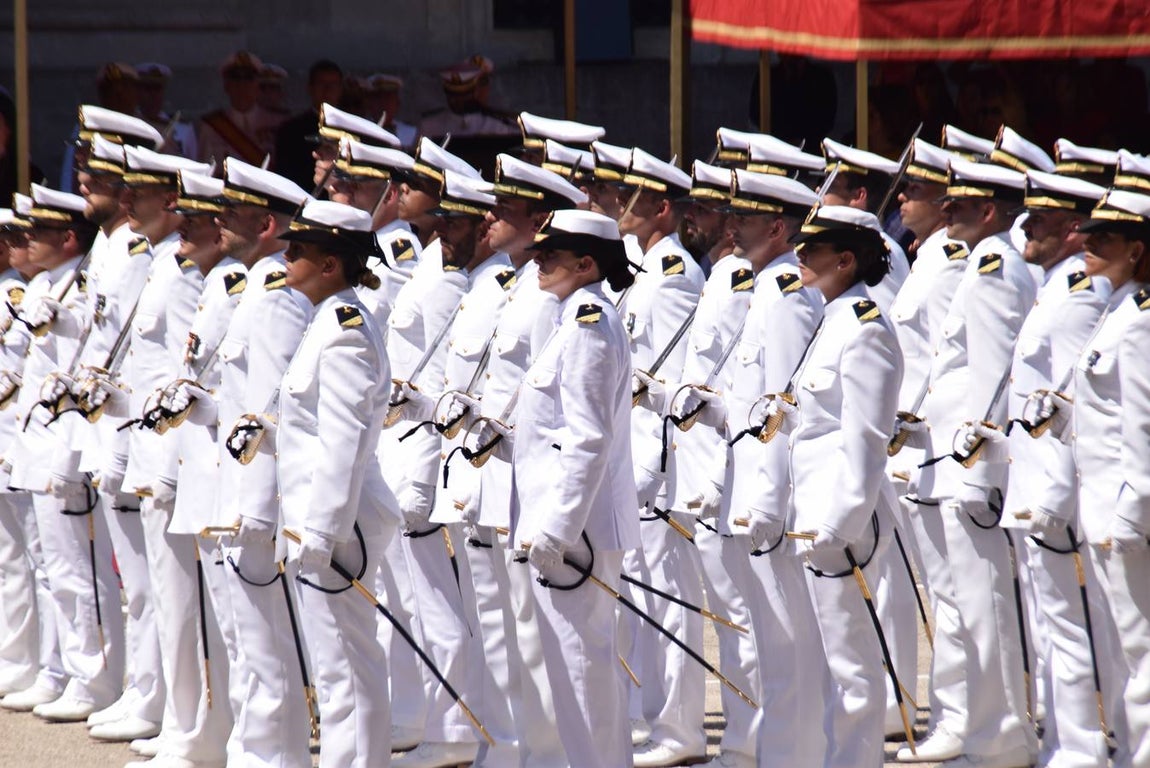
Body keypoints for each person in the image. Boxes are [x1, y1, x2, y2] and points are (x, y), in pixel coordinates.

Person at [489, 208, 640, 768]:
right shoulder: (569, 318)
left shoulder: (588, 324)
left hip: (577, 532)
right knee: (578, 677)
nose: (539, 260)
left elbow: (588, 438)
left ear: (586, 263)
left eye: (552, 254)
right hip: (569, 525)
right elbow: (554, 435)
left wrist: (556, 528)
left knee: (582, 677)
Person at [912, 157, 1039, 768]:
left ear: (989, 212)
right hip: (949, 457)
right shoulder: (978, 265)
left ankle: (1004, 736)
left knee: (986, 607)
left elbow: (994, 378)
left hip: (971, 463)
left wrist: (986, 474)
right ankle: (977, 728)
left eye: (960, 206)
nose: (947, 211)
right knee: (962, 604)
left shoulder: (993, 269)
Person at [271, 199, 394, 768]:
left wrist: (320, 533)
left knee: (346, 664)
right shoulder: (329, 319)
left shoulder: (344, 330)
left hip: (339, 524)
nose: (286, 255)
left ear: (330, 265)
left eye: (299, 250)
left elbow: (343, 445)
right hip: (323, 518)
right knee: (337, 662)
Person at [390, 170, 505, 768]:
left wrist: (422, 476)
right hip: (424, 456)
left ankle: (458, 729)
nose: (444, 235)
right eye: (443, 222)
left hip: (437, 460)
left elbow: (449, 392)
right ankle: (454, 726)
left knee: (451, 610)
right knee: (434, 608)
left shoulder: (472, 285)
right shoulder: (456, 276)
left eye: (456, 224)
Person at [784, 204, 904, 768]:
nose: (800, 257)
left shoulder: (865, 326)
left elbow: (867, 436)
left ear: (846, 260)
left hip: (843, 518)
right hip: (816, 511)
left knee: (852, 662)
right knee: (829, 658)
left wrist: (841, 521)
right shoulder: (832, 316)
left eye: (813, 250)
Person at [715, 169, 825, 767]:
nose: (732, 229)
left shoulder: (785, 293)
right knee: (774, 646)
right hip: (752, 492)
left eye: (746, 220)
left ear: (777, 228)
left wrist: (771, 502)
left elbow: (787, 406)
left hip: (771, 502)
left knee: (789, 650)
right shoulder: (765, 288)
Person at [3, 184, 124, 722]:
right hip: (35, 441)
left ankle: (91, 677)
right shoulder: (52, 283)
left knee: (77, 570)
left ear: (67, 237)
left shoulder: (76, 286)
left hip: (64, 443)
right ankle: (61, 668)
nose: (23, 242)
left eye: (36, 233)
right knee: (48, 567)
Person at [1001, 170, 1110, 768]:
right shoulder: (1054, 285)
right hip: (1033, 480)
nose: (1028, 226)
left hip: (1054, 488)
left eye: (1041, 219)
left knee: (1068, 627)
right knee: (1046, 625)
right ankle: (1060, 743)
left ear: (1074, 228)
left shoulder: (1077, 293)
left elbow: (1076, 407)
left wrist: (1060, 493)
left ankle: (1081, 749)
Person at [213, 159, 314, 768]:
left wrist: (263, 506)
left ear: (268, 223)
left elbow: (281, 409)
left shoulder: (277, 294)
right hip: (240, 487)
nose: (219, 221)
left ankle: (273, 759)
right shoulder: (256, 285)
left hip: (260, 494)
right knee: (250, 641)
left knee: (267, 642)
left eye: (233, 212)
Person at [661, 160, 755, 768]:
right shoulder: (721, 274)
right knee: (726, 608)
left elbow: (747, 380)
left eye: (707, 209)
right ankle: (749, 736)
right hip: (697, 467)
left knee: (741, 610)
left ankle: (751, 738)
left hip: (724, 466)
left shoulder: (746, 278)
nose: (693, 217)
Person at [618, 147, 708, 768]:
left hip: (661, 460)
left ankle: (679, 728)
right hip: (640, 457)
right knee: (647, 597)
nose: (614, 206)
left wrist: (661, 467)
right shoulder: (648, 268)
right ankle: (658, 721)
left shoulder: (673, 272)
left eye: (628, 198)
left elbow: (677, 377)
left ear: (660, 208)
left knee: (670, 596)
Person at [887, 139, 973, 764]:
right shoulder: (927, 258)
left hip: (937, 446)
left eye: (915, 189)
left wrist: (913, 425)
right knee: (940, 589)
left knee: (956, 593)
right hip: (917, 448)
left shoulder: (951, 261)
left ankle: (961, 715)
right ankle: (956, 712)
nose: (905, 197)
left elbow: (953, 363)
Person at [1061, 189, 1150, 767]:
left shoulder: (1140, 321)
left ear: (1137, 250)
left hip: (1124, 510)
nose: (1087, 245)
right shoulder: (1119, 309)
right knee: (1122, 647)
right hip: (1101, 505)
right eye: (1088, 235)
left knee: (1141, 648)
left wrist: (1132, 513)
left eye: (1106, 239)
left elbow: (1143, 427)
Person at [820, 138, 910, 311]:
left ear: (858, 196)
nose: (819, 191)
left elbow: (874, 318)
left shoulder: (875, 248)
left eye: (830, 186)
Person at [197, 51, 282, 167]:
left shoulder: (277, 123)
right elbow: (204, 168)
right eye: (236, 78)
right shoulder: (211, 126)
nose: (242, 86)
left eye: (248, 78)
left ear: (257, 84)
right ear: (226, 86)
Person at [274, 60, 345, 190]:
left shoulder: (351, 129)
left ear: (340, 89)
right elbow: (284, 175)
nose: (327, 90)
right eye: (321, 84)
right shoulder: (291, 130)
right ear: (310, 88)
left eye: (333, 84)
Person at [135, 63, 198, 161]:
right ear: (138, 92)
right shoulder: (131, 124)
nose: (153, 95)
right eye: (148, 89)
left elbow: (193, 162)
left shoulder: (182, 129)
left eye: (157, 89)